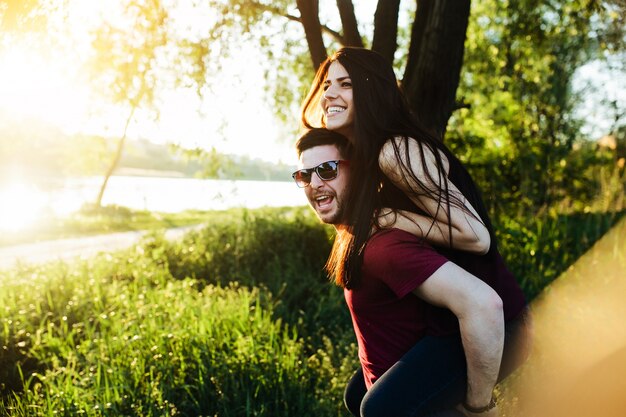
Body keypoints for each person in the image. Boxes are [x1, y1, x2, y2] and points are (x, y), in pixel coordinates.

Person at [297, 47, 532, 416]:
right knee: (360, 394)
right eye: (327, 85)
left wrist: (388, 217)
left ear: (373, 90)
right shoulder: (372, 155)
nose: (328, 94)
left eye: (345, 84)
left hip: (494, 321)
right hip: (452, 314)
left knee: (383, 408)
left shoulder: (396, 151)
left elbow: (477, 236)